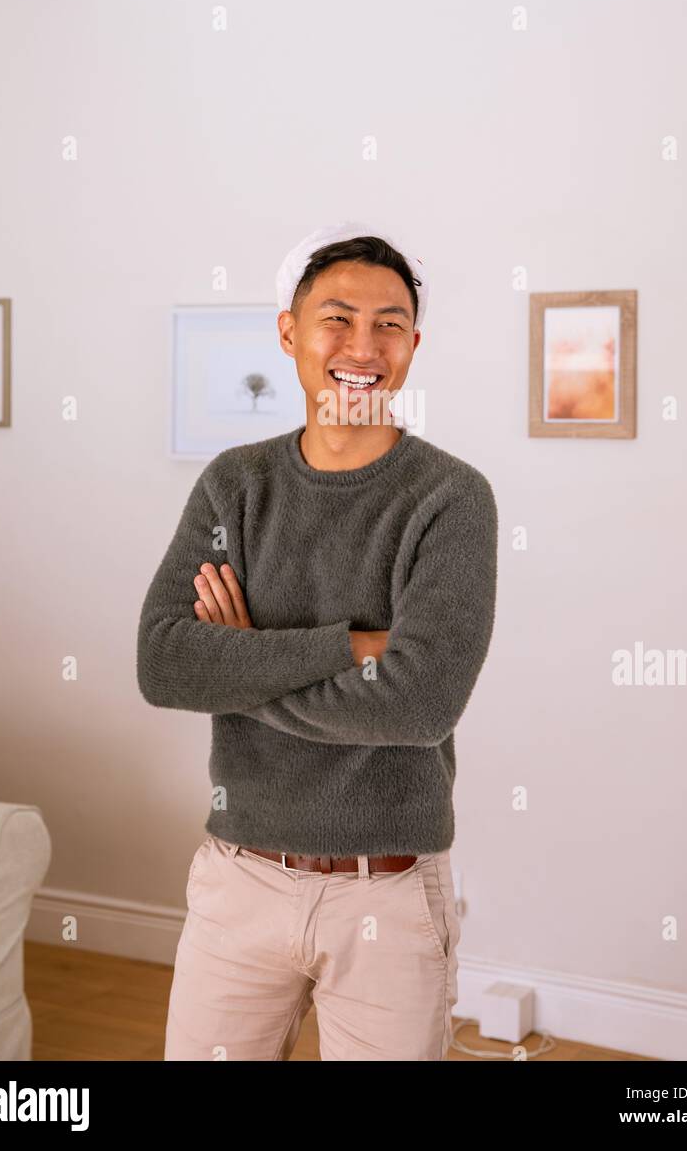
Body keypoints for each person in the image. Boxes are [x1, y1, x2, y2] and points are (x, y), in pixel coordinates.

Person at [136, 225, 498, 1060]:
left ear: (414, 344)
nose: (362, 348)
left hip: (389, 890)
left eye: (390, 324)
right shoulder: (236, 482)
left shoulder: (451, 498)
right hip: (237, 876)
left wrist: (240, 658)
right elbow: (163, 662)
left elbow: (418, 706)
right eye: (337, 318)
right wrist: (354, 644)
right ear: (289, 333)